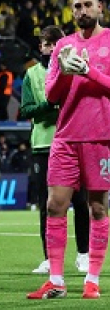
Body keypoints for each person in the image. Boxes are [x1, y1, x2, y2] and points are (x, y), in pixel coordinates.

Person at [27, 0, 110, 301]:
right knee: (54, 205)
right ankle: (57, 280)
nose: (83, 10)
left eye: (88, 5)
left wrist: (89, 71)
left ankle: (92, 280)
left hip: (102, 135)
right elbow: (51, 96)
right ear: (72, 12)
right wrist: (65, 70)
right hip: (66, 136)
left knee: (97, 208)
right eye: (77, 7)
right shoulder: (63, 45)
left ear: (100, 7)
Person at [20, 26, 91, 276]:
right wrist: (50, 105)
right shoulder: (32, 75)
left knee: (81, 201)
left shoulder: (76, 70)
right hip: (43, 144)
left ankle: (83, 255)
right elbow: (27, 110)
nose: (50, 49)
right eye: (46, 44)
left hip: (73, 141)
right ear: (41, 47)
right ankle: (50, 258)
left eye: (55, 44)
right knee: (46, 204)